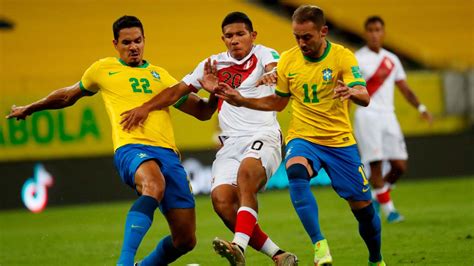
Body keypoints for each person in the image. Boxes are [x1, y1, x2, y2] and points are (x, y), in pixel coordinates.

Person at [5, 15, 219, 266]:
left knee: (185, 240)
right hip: (132, 148)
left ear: (144, 41)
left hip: (168, 154)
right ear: (115, 44)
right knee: (154, 184)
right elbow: (67, 96)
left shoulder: (160, 76)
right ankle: (125, 262)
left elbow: (203, 113)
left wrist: (214, 93)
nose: (133, 47)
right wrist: (31, 107)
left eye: (138, 41)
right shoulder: (102, 69)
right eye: (126, 42)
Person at [120, 12, 297, 266]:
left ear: (252, 35)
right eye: (229, 36)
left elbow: (276, 69)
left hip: (263, 135)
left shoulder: (264, 54)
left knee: (246, 177)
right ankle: (279, 256)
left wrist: (273, 75)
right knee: (222, 201)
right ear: (222, 38)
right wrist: (146, 108)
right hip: (230, 144)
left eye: (240, 34)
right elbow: (177, 91)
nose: (235, 40)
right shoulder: (212, 64)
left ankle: (238, 247)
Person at [215, 5, 386, 266]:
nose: (301, 42)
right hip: (303, 137)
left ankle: (376, 258)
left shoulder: (342, 57)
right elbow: (278, 103)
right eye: (296, 36)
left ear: (323, 32)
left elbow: (364, 95)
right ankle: (320, 246)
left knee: (364, 213)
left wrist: (353, 93)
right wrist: (242, 100)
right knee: (295, 171)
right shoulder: (289, 60)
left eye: (306, 37)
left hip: (339, 142)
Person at [354, 16, 433, 223]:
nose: (374, 34)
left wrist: (421, 107)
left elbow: (405, 89)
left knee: (400, 165)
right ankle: (390, 211)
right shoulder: (357, 59)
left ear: (383, 32)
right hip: (367, 115)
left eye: (377, 30)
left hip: (388, 115)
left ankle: (377, 195)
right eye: (370, 30)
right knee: (376, 164)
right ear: (365, 33)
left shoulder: (392, 59)